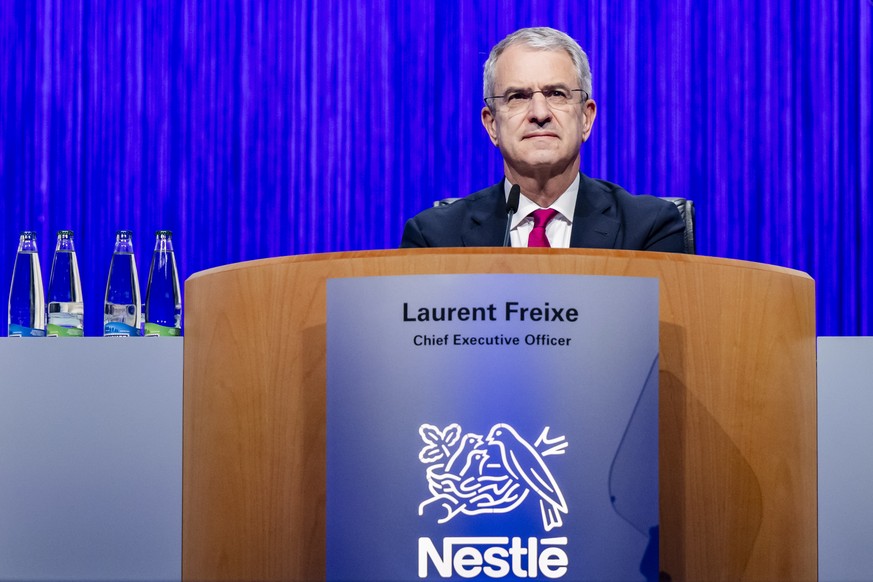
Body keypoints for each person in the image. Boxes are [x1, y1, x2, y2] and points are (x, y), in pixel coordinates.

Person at [400, 27, 686, 252]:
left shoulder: (649, 228)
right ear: (492, 125)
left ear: (586, 118)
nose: (539, 113)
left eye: (556, 94)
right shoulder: (434, 238)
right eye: (517, 97)